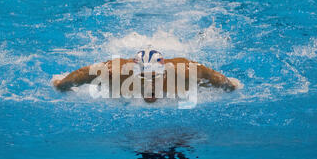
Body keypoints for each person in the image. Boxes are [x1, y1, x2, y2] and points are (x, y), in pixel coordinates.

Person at [53, 49, 239, 103]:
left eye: (154, 78)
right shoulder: (115, 72)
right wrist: (61, 85)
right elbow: (83, 74)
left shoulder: (186, 70)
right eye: (143, 78)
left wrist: (231, 86)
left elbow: (215, 78)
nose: (150, 86)